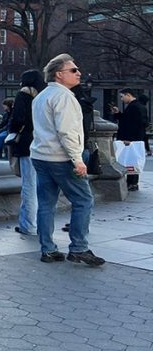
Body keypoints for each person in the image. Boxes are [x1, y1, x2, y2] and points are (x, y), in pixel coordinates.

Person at [30, 54, 104, 267]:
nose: (79, 73)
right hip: (61, 159)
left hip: (41, 156)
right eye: (74, 70)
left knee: (46, 204)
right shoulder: (65, 97)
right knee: (83, 200)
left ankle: (48, 250)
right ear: (59, 74)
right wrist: (77, 160)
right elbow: (67, 132)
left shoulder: (41, 96)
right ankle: (79, 248)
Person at [7, 70, 45, 235]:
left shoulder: (24, 94)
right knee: (43, 188)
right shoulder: (46, 95)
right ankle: (42, 224)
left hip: (27, 144)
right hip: (45, 144)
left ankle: (28, 225)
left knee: (28, 186)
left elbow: (18, 119)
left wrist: (12, 130)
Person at [111, 88, 147, 191]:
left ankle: (132, 183)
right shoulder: (138, 106)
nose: (122, 99)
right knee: (133, 160)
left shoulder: (134, 107)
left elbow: (136, 124)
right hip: (135, 138)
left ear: (128, 95)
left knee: (131, 160)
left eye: (122, 96)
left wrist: (130, 139)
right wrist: (118, 114)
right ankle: (133, 182)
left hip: (131, 138)